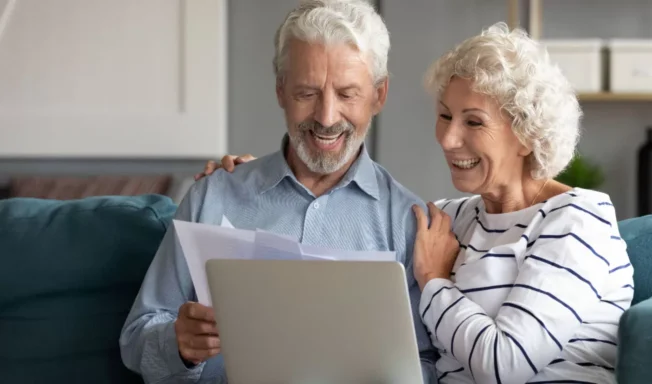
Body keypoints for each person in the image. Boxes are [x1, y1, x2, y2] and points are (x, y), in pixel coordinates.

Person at [202, 23, 635, 384]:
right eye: (445, 115)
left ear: (526, 133)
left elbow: (506, 364)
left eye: (473, 122)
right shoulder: (454, 219)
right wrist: (246, 180)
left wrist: (433, 281)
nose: (447, 138)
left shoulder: (577, 221)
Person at [119, 1, 439, 383]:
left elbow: (432, 364)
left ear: (379, 95)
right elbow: (136, 340)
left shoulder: (409, 223)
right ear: (280, 90)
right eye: (307, 93)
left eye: (347, 94)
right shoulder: (213, 195)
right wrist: (178, 344)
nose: (326, 117)